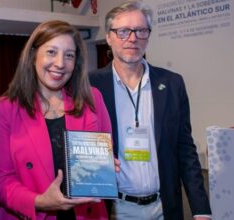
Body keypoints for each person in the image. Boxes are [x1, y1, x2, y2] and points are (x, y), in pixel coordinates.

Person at [89, 1, 212, 220]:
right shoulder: (90, 86)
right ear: (108, 37)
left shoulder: (172, 84)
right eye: (123, 31)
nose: (133, 38)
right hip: (116, 209)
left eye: (141, 30)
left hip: (165, 207)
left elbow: (185, 148)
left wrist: (201, 209)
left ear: (148, 35)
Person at [0, 20, 112, 220]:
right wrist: (39, 202)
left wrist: (109, 166)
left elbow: (104, 161)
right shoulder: (7, 108)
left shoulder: (92, 99)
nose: (60, 63)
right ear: (33, 56)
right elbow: (2, 179)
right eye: (51, 52)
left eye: (69, 55)